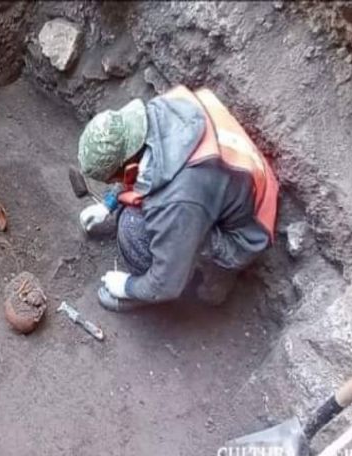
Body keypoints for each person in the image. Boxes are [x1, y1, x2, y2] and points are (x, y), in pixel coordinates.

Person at [77, 85, 279, 311]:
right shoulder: (158, 112)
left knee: (132, 227)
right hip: (237, 187)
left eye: (112, 179)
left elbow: (166, 284)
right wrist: (109, 204)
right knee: (152, 211)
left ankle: (216, 276)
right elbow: (141, 166)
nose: (113, 183)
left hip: (243, 238)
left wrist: (127, 286)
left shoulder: (179, 200)